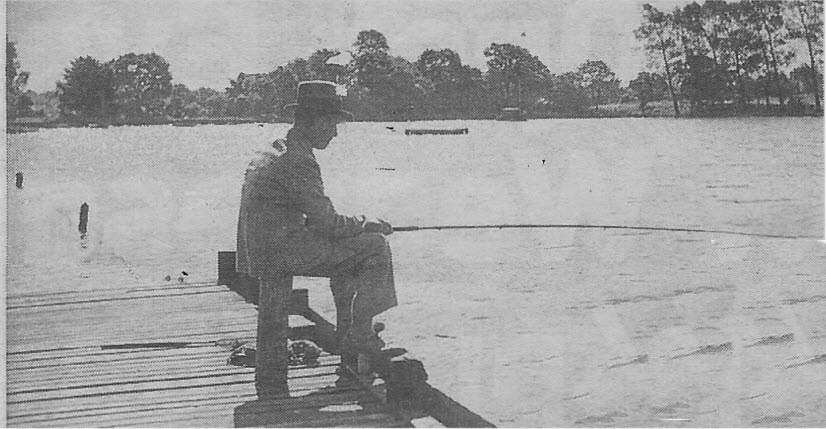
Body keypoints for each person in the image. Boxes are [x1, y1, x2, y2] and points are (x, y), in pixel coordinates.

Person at [237, 80, 397, 354]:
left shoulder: (275, 148)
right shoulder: (299, 159)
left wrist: (350, 227)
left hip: (259, 250)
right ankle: (358, 333)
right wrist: (366, 222)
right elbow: (329, 224)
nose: (335, 134)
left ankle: (354, 328)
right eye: (333, 124)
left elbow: (296, 212)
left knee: (349, 252)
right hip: (279, 253)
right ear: (319, 121)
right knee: (375, 245)